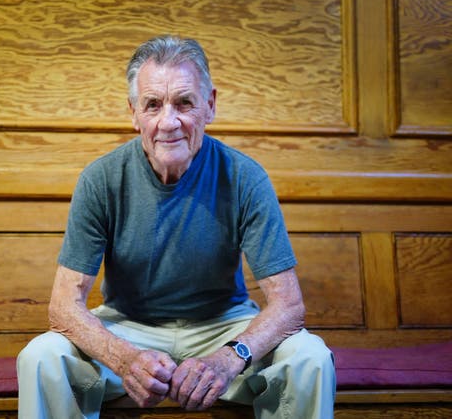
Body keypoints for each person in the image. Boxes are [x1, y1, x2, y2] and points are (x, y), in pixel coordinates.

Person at [17, 35, 336, 419]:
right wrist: (125, 359)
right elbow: (63, 307)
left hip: (223, 325)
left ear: (210, 105)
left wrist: (228, 358)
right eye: (153, 105)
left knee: (311, 358)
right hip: (128, 326)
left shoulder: (246, 178)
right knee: (40, 357)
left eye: (184, 102)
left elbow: (288, 305)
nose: (169, 122)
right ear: (134, 112)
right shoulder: (100, 179)